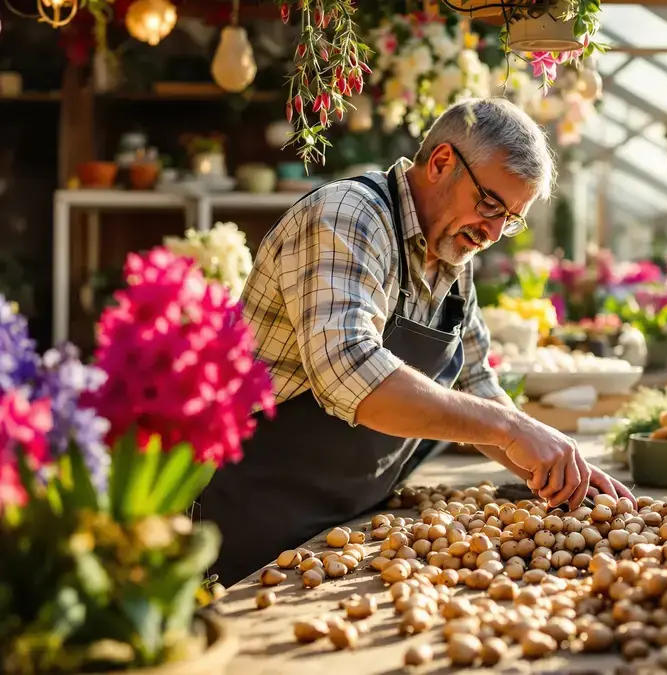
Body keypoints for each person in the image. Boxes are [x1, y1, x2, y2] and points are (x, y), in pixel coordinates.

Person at [198, 98, 633, 585]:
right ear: (442, 162)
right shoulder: (348, 216)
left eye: (509, 219)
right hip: (250, 519)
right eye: (490, 204)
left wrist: (559, 472)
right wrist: (511, 428)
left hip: (342, 527)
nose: (492, 233)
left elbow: (475, 381)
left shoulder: (451, 253)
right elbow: (350, 371)